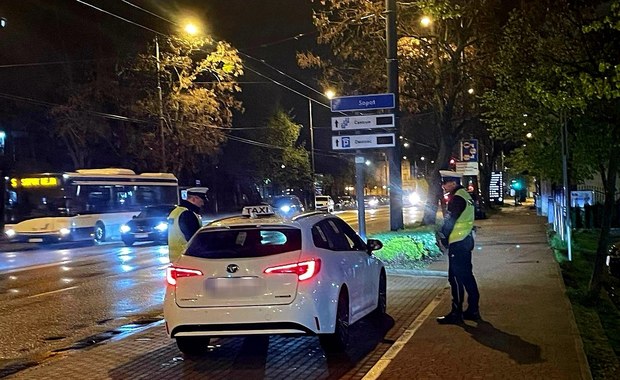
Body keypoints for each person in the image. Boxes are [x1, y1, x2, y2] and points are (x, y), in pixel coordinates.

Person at [436, 170, 481, 324]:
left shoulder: (457, 198)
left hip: (458, 243)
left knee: (455, 278)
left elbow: (450, 221)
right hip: (466, 240)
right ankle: (473, 310)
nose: (443, 186)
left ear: (453, 183)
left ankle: (456, 313)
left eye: (445, 183)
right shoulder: (466, 196)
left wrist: (442, 236)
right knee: (467, 276)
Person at [167, 187, 208, 262]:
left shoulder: (175, 212)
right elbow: (194, 239)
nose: (203, 203)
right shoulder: (188, 214)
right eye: (201, 200)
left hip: (176, 258)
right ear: (194, 199)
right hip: (188, 257)